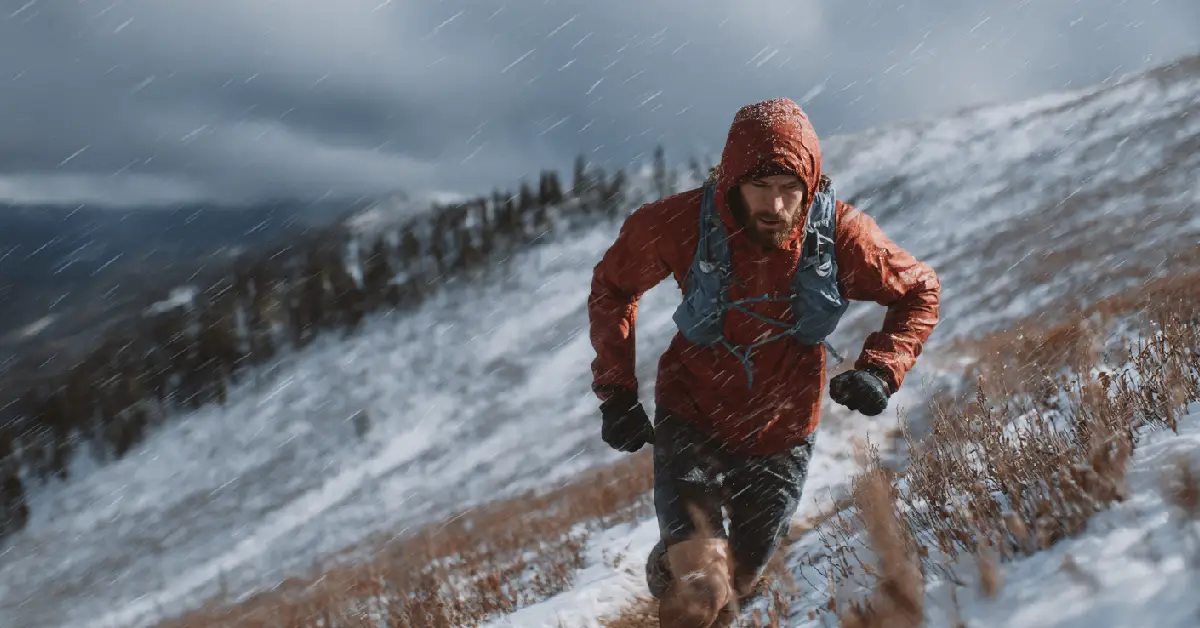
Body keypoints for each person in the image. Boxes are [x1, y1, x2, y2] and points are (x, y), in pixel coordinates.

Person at [587, 98, 941, 627]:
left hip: (784, 429)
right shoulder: (680, 223)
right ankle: (685, 564)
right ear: (732, 182)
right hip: (693, 414)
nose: (775, 205)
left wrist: (880, 368)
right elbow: (613, 286)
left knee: (739, 586)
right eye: (760, 186)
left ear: (811, 183)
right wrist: (617, 393)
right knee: (704, 587)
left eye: (789, 187)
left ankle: (672, 564)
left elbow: (919, 291)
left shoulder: (840, 233)